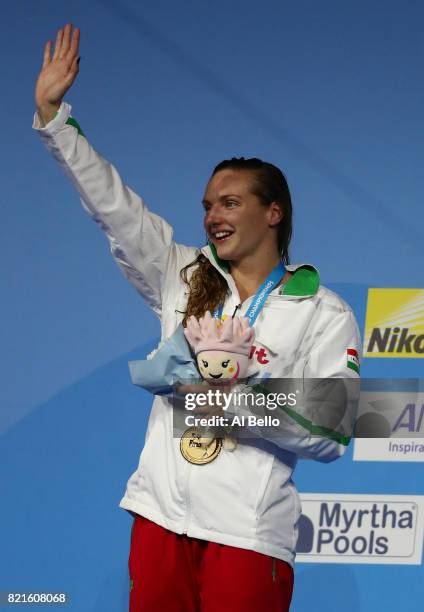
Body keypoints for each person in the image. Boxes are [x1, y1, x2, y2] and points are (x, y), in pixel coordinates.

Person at [34, 24, 361, 612]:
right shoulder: (181, 274)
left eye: (230, 202)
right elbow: (112, 206)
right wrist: (55, 118)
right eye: (208, 204)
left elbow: (333, 430)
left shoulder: (323, 309)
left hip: (247, 536)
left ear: (274, 213)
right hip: (158, 520)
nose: (213, 215)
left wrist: (222, 400)